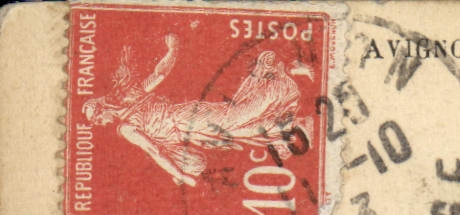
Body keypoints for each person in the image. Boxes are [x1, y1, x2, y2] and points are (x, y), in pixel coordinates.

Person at [84, 35, 314, 188]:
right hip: (188, 129)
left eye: (97, 118)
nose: (101, 123)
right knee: (238, 131)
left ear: (101, 108)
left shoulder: (125, 125)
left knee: (237, 118)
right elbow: (159, 75)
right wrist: (173, 49)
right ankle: (288, 129)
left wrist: (182, 175)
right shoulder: (129, 100)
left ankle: (277, 81)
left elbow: (154, 150)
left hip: (186, 119)